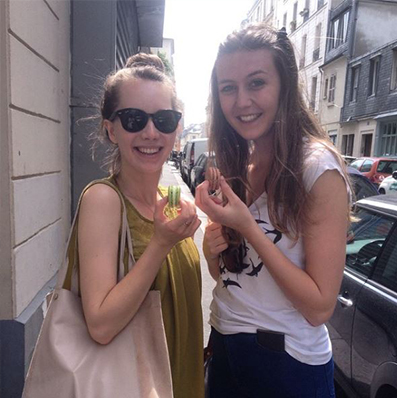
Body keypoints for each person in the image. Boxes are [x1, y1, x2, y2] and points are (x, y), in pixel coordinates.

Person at [196, 24, 351, 398]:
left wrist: (248, 227)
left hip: (287, 367)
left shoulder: (317, 169)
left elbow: (318, 308)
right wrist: (212, 246)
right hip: (225, 345)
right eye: (228, 88)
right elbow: (229, 280)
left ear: (283, 86)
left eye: (256, 83)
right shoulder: (241, 165)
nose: (241, 101)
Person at [76, 53, 203, 398]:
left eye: (164, 119)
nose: (150, 132)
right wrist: (161, 244)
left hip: (182, 381)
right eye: (133, 119)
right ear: (111, 129)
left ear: (177, 128)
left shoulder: (171, 202)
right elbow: (100, 325)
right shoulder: (104, 200)